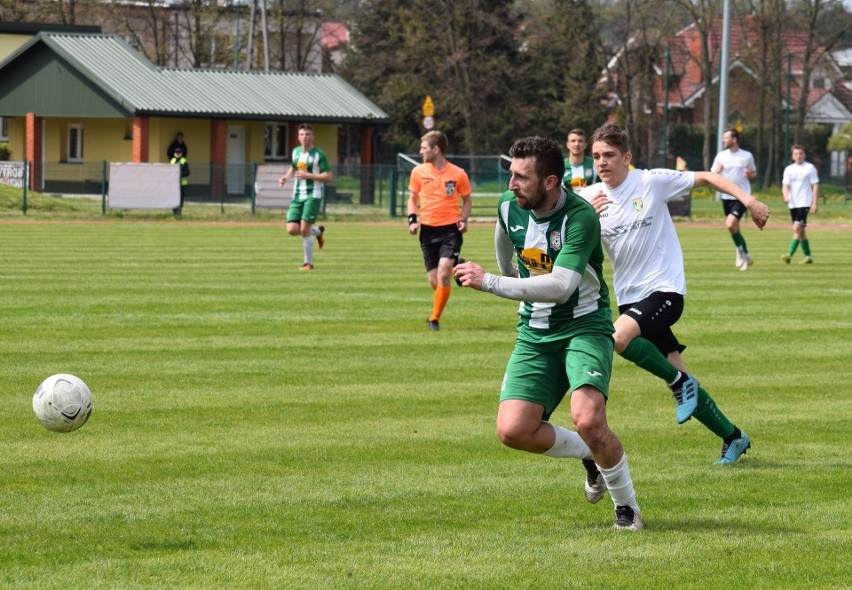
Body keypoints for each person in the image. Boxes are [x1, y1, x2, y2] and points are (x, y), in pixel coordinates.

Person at [454, 136, 643, 531]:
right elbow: (505, 248)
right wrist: (505, 276)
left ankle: (627, 510)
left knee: (588, 420)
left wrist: (489, 281)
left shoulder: (581, 218)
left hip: (584, 328)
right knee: (512, 430)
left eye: (522, 177)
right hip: (534, 332)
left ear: (551, 181)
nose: (511, 185)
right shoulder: (509, 207)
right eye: (511, 174)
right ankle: (588, 456)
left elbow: (560, 287)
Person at [579, 123, 770, 465]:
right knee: (682, 381)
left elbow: (710, 177)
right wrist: (587, 222)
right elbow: (576, 246)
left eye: (608, 155)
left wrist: (749, 200)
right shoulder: (589, 200)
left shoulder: (650, 182)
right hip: (630, 299)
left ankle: (681, 383)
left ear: (626, 157)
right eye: (596, 156)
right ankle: (733, 436)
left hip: (664, 290)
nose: (601, 162)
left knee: (617, 339)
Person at [407, 130, 472, 331]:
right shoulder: (418, 172)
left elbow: (467, 200)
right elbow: (412, 199)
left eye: (424, 147)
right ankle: (457, 266)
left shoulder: (458, 173)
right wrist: (412, 219)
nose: (420, 151)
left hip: (449, 231)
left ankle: (434, 319)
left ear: (436, 149)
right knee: (434, 281)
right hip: (427, 231)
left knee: (443, 274)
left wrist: (463, 220)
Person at [278, 124, 332, 271]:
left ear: (312, 137)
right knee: (292, 230)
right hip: (297, 195)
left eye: (307, 134)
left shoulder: (319, 154)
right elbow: (294, 167)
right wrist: (285, 177)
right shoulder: (295, 152)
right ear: (298, 137)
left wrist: (309, 175)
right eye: (302, 134)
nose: (304, 137)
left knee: (304, 228)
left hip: (312, 195)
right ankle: (318, 232)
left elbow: (328, 176)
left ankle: (309, 263)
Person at [711, 128, 758, 271]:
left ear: (734, 139)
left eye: (726, 138)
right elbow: (711, 173)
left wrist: (750, 174)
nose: (723, 140)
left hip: (742, 196)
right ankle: (747, 255)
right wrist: (717, 172)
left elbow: (754, 173)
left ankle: (739, 251)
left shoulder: (747, 156)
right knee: (735, 228)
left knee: (730, 224)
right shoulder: (721, 156)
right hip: (726, 196)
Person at [781, 145, 819, 264]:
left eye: (801, 153)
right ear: (793, 156)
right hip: (793, 203)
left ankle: (789, 255)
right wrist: (786, 196)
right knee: (801, 231)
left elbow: (815, 186)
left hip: (805, 202)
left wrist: (814, 203)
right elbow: (785, 185)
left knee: (797, 228)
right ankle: (808, 256)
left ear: (804, 155)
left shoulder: (810, 168)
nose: (799, 155)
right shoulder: (789, 169)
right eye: (796, 154)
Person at [169, 145, 189, 215]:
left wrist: (179, 174)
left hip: (182, 184)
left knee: (180, 198)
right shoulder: (172, 161)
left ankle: (179, 210)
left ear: (181, 153)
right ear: (174, 153)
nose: (177, 154)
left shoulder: (184, 161)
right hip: (174, 184)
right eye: (176, 152)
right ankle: (174, 210)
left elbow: (187, 172)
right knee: (173, 197)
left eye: (179, 153)